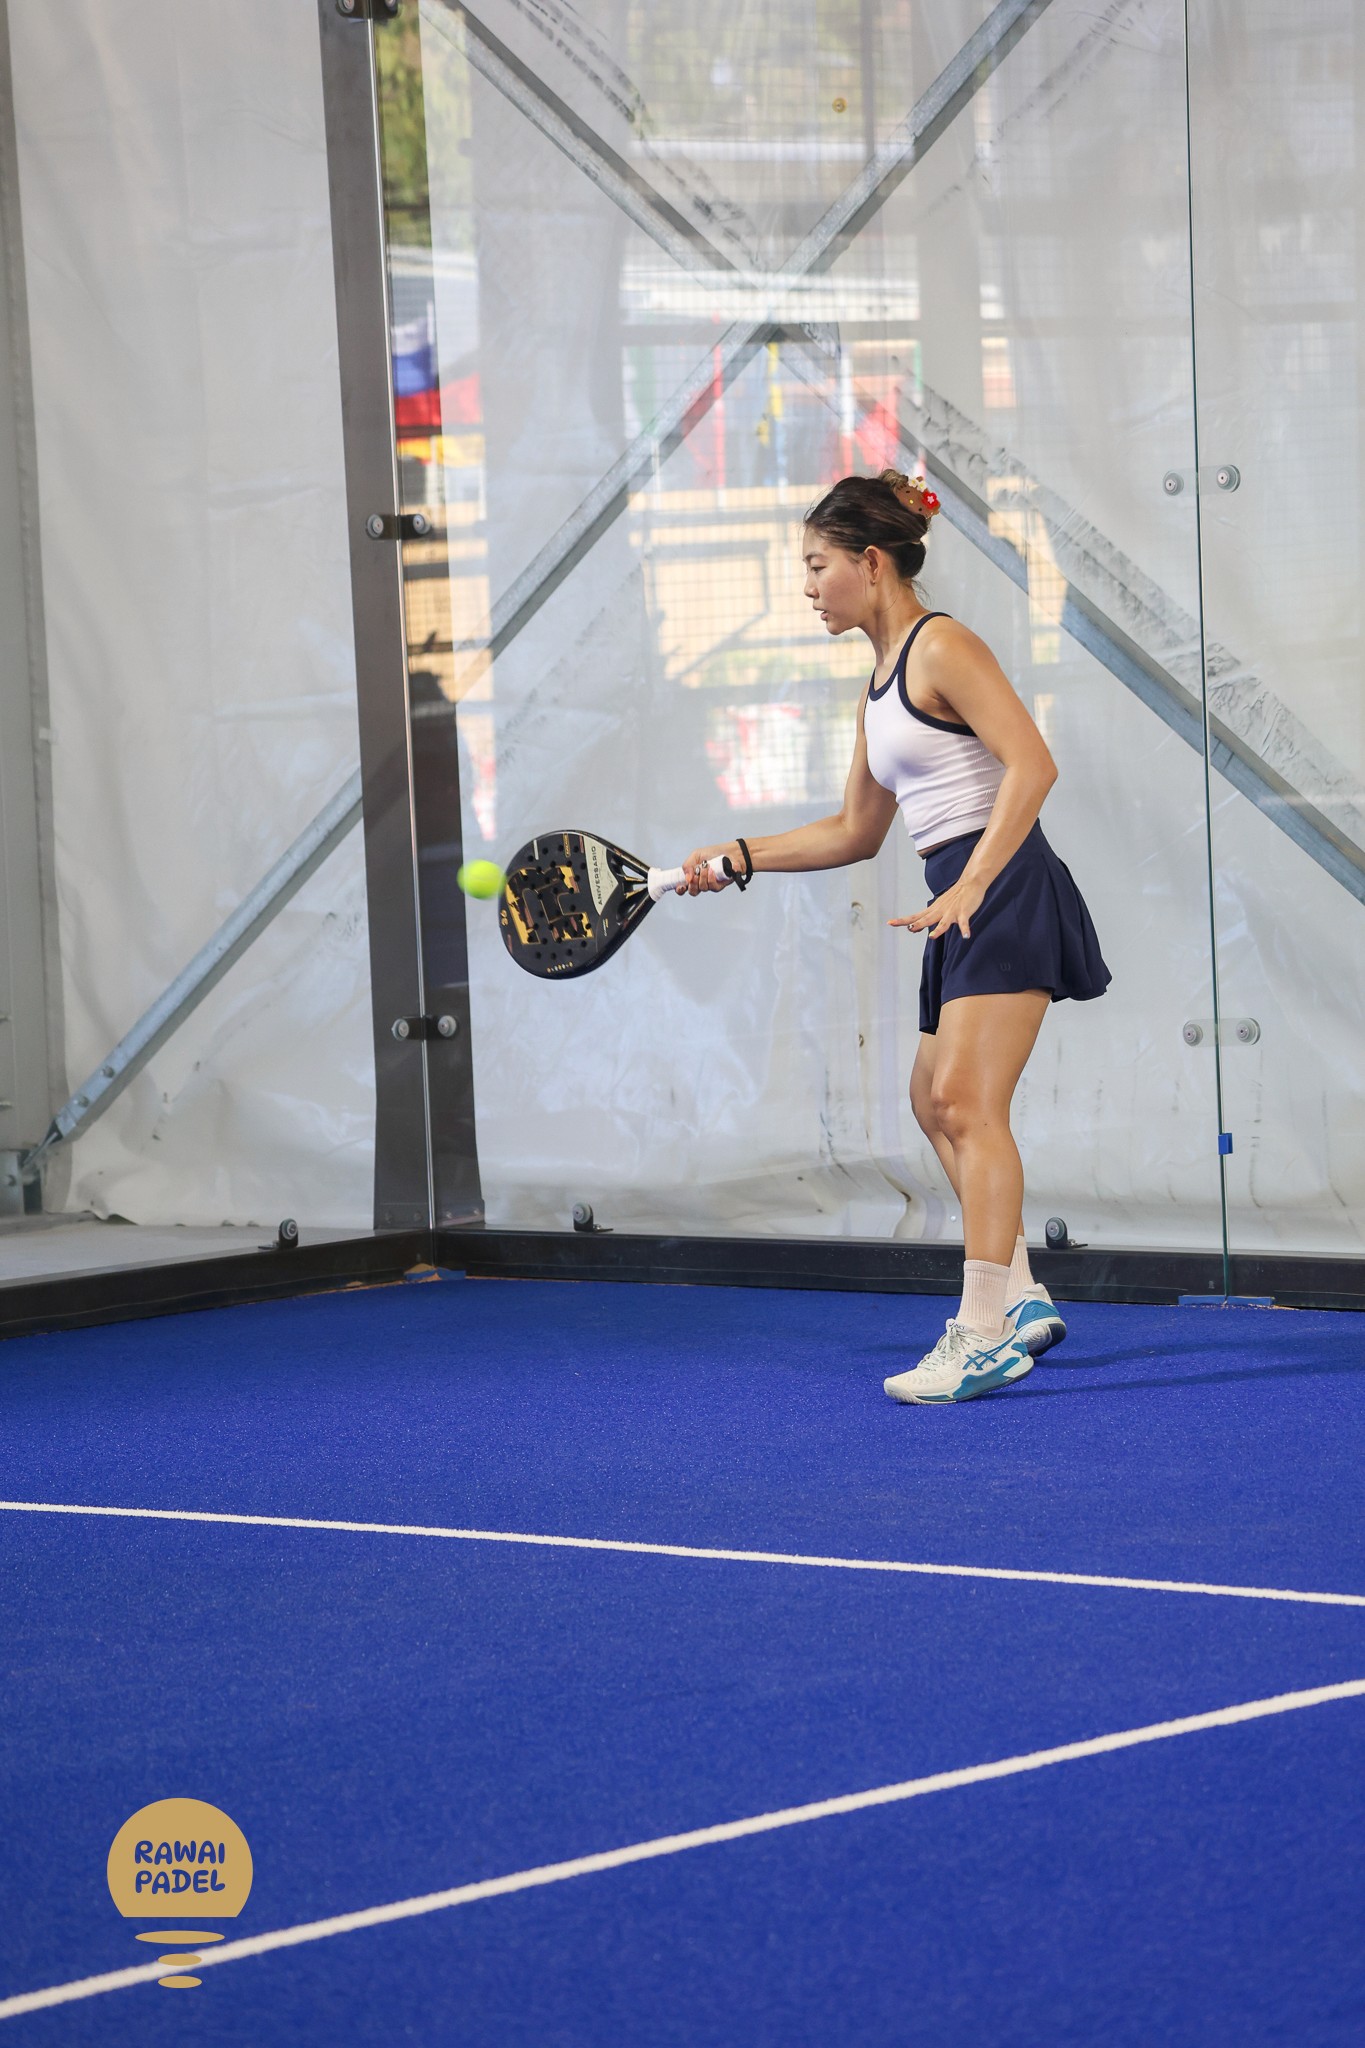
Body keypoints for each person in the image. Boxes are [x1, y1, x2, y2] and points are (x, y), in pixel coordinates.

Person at [680, 469, 1111, 1405]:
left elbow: (1031, 765)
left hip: (1001, 887)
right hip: (955, 897)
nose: (805, 585)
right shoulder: (877, 687)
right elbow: (853, 832)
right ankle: (1025, 1295)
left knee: (965, 1102)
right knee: (931, 1100)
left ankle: (981, 1328)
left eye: (815, 564)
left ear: (869, 563)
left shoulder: (942, 645)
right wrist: (736, 855)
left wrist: (974, 883)